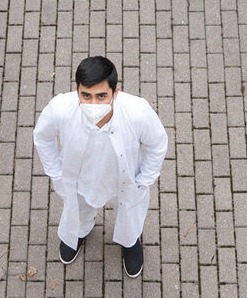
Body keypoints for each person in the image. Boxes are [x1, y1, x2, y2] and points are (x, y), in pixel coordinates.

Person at [33, 56, 168, 279]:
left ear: (116, 92)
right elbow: (42, 137)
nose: (93, 104)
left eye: (101, 96)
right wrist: (56, 173)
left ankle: (130, 240)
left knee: (128, 214)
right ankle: (78, 232)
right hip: (80, 181)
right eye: (86, 95)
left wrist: (144, 180)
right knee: (79, 209)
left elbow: (157, 144)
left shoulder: (138, 112)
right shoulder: (60, 108)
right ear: (77, 90)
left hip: (123, 182)